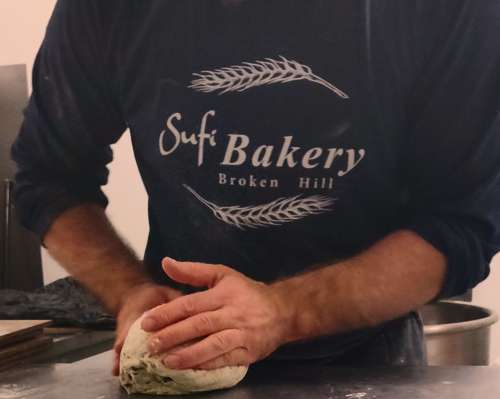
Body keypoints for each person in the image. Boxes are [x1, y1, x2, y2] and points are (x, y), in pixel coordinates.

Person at [12, 0, 500, 374]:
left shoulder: (444, 11)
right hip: (182, 351)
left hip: (368, 359)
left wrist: (285, 311)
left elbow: (461, 223)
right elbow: (49, 177)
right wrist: (131, 292)